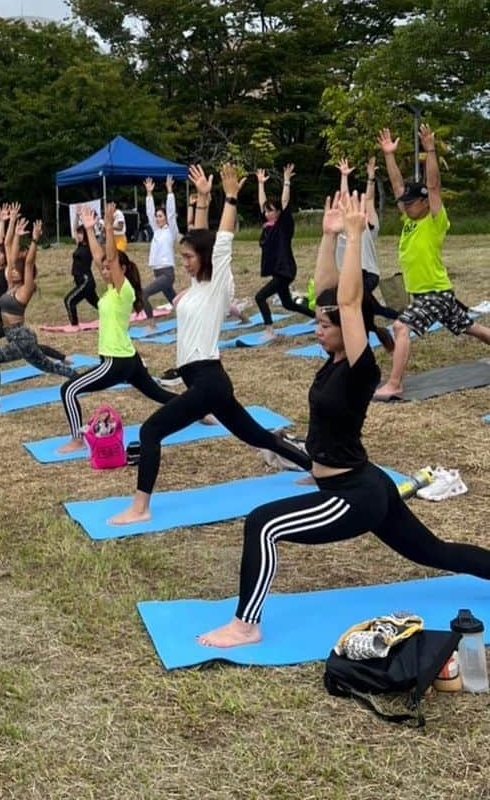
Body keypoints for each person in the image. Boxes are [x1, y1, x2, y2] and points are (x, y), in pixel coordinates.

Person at [196, 191, 490, 649]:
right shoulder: (334, 358)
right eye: (317, 323)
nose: (318, 328)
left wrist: (355, 236)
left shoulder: (360, 368)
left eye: (324, 326)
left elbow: (349, 305)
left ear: (350, 331)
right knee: (435, 552)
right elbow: (330, 294)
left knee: (262, 524)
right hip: (365, 483)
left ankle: (245, 626)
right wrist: (329, 236)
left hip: (353, 494)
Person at [107, 164, 312, 524]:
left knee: (150, 431)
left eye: (188, 258)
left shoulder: (218, 284)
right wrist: (201, 197)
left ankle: (140, 508)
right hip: (206, 380)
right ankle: (319, 470)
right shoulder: (198, 287)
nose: (183, 263)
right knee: (258, 436)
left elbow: (222, 241)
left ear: (204, 258)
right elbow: (198, 236)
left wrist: (229, 198)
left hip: (208, 380)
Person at [373, 124, 490, 399]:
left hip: (434, 293)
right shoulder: (409, 219)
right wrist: (389, 155)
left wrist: (430, 150)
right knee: (470, 327)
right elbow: (397, 186)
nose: (405, 205)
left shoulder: (434, 220)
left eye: (411, 203)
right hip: (433, 293)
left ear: (425, 203)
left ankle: (395, 383)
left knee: (401, 326)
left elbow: (434, 185)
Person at [56, 203, 176, 455]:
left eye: (110, 267)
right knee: (156, 392)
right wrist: (90, 230)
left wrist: (108, 227)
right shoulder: (112, 289)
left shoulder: (124, 290)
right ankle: (200, 410)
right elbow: (101, 257)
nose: (104, 269)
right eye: (103, 268)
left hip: (117, 361)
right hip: (128, 358)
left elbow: (109, 257)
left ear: (122, 269)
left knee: (68, 389)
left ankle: (77, 439)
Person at [0, 210, 79, 409]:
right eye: (12, 269)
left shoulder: (25, 290)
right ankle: (76, 377)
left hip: (21, 337)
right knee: (48, 366)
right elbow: (9, 250)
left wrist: (34, 240)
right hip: (13, 336)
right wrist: (16, 233)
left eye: (17, 269)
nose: (13, 271)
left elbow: (29, 263)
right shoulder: (10, 285)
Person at [336, 156, 396, 352]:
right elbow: (344, 199)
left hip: (368, 273)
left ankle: (367, 336)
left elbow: (369, 199)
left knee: (365, 307)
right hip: (352, 274)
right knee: (370, 308)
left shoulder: (369, 228)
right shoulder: (344, 228)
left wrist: (371, 177)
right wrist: (344, 176)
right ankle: (382, 327)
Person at [253, 163, 315, 339]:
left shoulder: (284, 225)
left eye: (271, 211)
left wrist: (286, 181)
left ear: (279, 212)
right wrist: (260, 184)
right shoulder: (268, 226)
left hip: (285, 270)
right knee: (288, 304)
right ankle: (317, 317)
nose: (266, 213)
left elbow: (285, 202)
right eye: (266, 211)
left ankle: (269, 330)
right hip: (278, 271)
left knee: (260, 297)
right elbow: (262, 204)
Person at [140, 175, 180, 332]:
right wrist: (149, 194)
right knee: (176, 301)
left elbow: (171, 212)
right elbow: (149, 213)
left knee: (143, 294)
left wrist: (170, 191)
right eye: (157, 217)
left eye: (160, 216)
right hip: (158, 272)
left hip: (167, 273)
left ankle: (151, 323)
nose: (157, 219)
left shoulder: (171, 230)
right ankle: (191, 316)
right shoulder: (156, 230)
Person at [63, 221, 100, 330]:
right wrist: (77, 217)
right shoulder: (80, 245)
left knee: (69, 300)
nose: (78, 235)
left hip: (86, 281)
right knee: (100, 305)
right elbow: (74, 230)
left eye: (80, 233)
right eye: (78, 233)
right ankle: (113, 315)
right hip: (81, 281)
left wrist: (91, 227)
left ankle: (74, 325)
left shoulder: (90, 247)